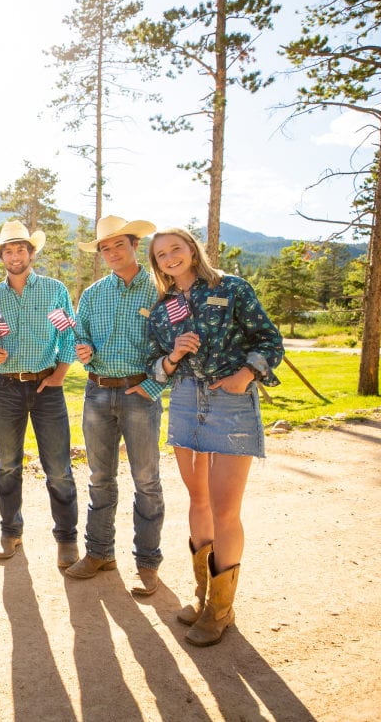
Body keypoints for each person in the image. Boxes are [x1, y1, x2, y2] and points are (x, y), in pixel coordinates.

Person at [146, 226, 283, 647]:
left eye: (176, 248)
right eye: (161, 254)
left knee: (226, 508)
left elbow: (270, 340)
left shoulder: (231, 288)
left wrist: (245, 375)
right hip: (187, 401)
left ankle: (221, 611)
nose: (170, 257)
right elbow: (154, 367)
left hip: (230, 401)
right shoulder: (161, 308)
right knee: (199, 500)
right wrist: (174, 356)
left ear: (192, 249)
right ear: (157, 263)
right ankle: (204, 597)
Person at [66, 215, 166, 596]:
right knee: (100, 478)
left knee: (146, 480)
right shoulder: (93, 294)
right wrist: (84, 352)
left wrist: (155, 388)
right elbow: (80, 335)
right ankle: (99, 553)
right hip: (97, 392)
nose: (110, 253)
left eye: (117, 245)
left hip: (140, 394)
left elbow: (175, 346)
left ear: (134, 246)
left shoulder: (160, 289)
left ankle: (147, 562)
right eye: (104, 248)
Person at [0, 220, 81, 569]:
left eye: (21, 249)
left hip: (46, 385)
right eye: (8, 250)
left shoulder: (53, 290)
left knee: (58, 467)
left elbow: (68, 335)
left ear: (31, 253)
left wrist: (61, 374)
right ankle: (11, 532)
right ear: (2, 256)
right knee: (8, 465)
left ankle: (66, 539)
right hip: (6, 386)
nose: (15, 255)